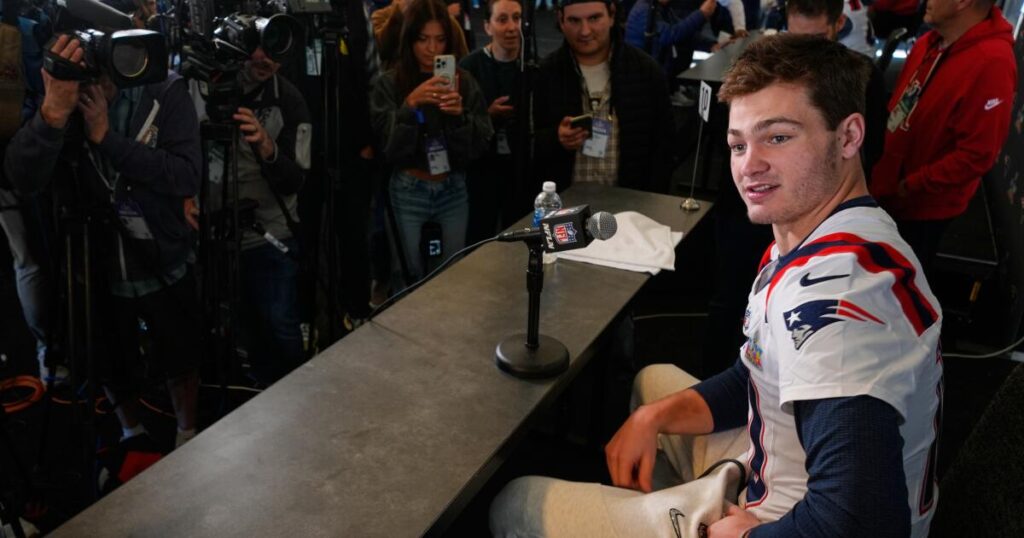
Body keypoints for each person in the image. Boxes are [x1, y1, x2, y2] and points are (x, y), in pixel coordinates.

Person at [491, 34, 943, 538]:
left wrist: (746, 535)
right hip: (785, 469)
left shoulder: (838, 296)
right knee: (651, 386)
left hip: (794, 515)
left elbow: (864, 523)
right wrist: (653, 417)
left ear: (848, 136)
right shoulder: (826, 235)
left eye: (778, 137)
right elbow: (758, 374)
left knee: (514, 504)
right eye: (738, 144)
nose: (749, 165)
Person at [5, 35, 203, 450]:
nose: (97, 88)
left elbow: (186, 175)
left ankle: (187, 435)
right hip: (94, 266)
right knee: (108, 361)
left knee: (180, 354)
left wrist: (107, 138)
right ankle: (132, 435)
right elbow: (22, 178)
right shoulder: (58, 96)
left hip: (163, 256)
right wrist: (53, 113)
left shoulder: (164, 89)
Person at [870, 0, 1016, 269]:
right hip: (887, 187)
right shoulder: (928, 42)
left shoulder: (992, 63)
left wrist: (910, 185)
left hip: (918, 209)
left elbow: (976, 155)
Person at [369, 0, 492, 285]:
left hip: (453, 188)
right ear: (410, 40)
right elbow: (387, 147)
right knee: (406, 274)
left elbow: (480, 145)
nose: (431, 48)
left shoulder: (464, 81)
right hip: (408, 189)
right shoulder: (390, 83)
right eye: (423, 39)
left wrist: (459, 117)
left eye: (439, 39)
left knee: (452, 275)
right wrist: (410, 106)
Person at [217, 45, 312, 385]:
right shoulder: (205, 85)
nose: (266, 59)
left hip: (269, 231)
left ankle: (295, 393)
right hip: (213, 233)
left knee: (280, 323)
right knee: (240, 327)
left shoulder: (289, 99)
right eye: (260, 46)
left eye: (277, 50)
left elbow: (297, 179)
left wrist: (267, 148)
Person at [533, 0, 675, 193]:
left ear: (612, 15)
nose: (585, 31)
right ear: (561, 20)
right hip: (564, 202)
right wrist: (555, 138)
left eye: (594, 18)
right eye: (574, 20)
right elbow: (527, 144)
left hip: (630, 202)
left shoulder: (646, 71)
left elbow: (664, 146)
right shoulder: (545, 74)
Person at [785, 0, 886, 182]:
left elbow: (872, 150)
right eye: (796, 39)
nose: (805, 51)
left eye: (818, 39)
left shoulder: (865, 78)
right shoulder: (775, 73)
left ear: (840, 23)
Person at [460, 0, 528, 242]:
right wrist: (488, 117)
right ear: (487, 26)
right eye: (502, 19)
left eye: (517, 18)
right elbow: (459, 129)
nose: (512, 27)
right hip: (481, 171)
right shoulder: (469, 68)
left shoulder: (532, 66)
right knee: (479, 236)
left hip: (520, 171)